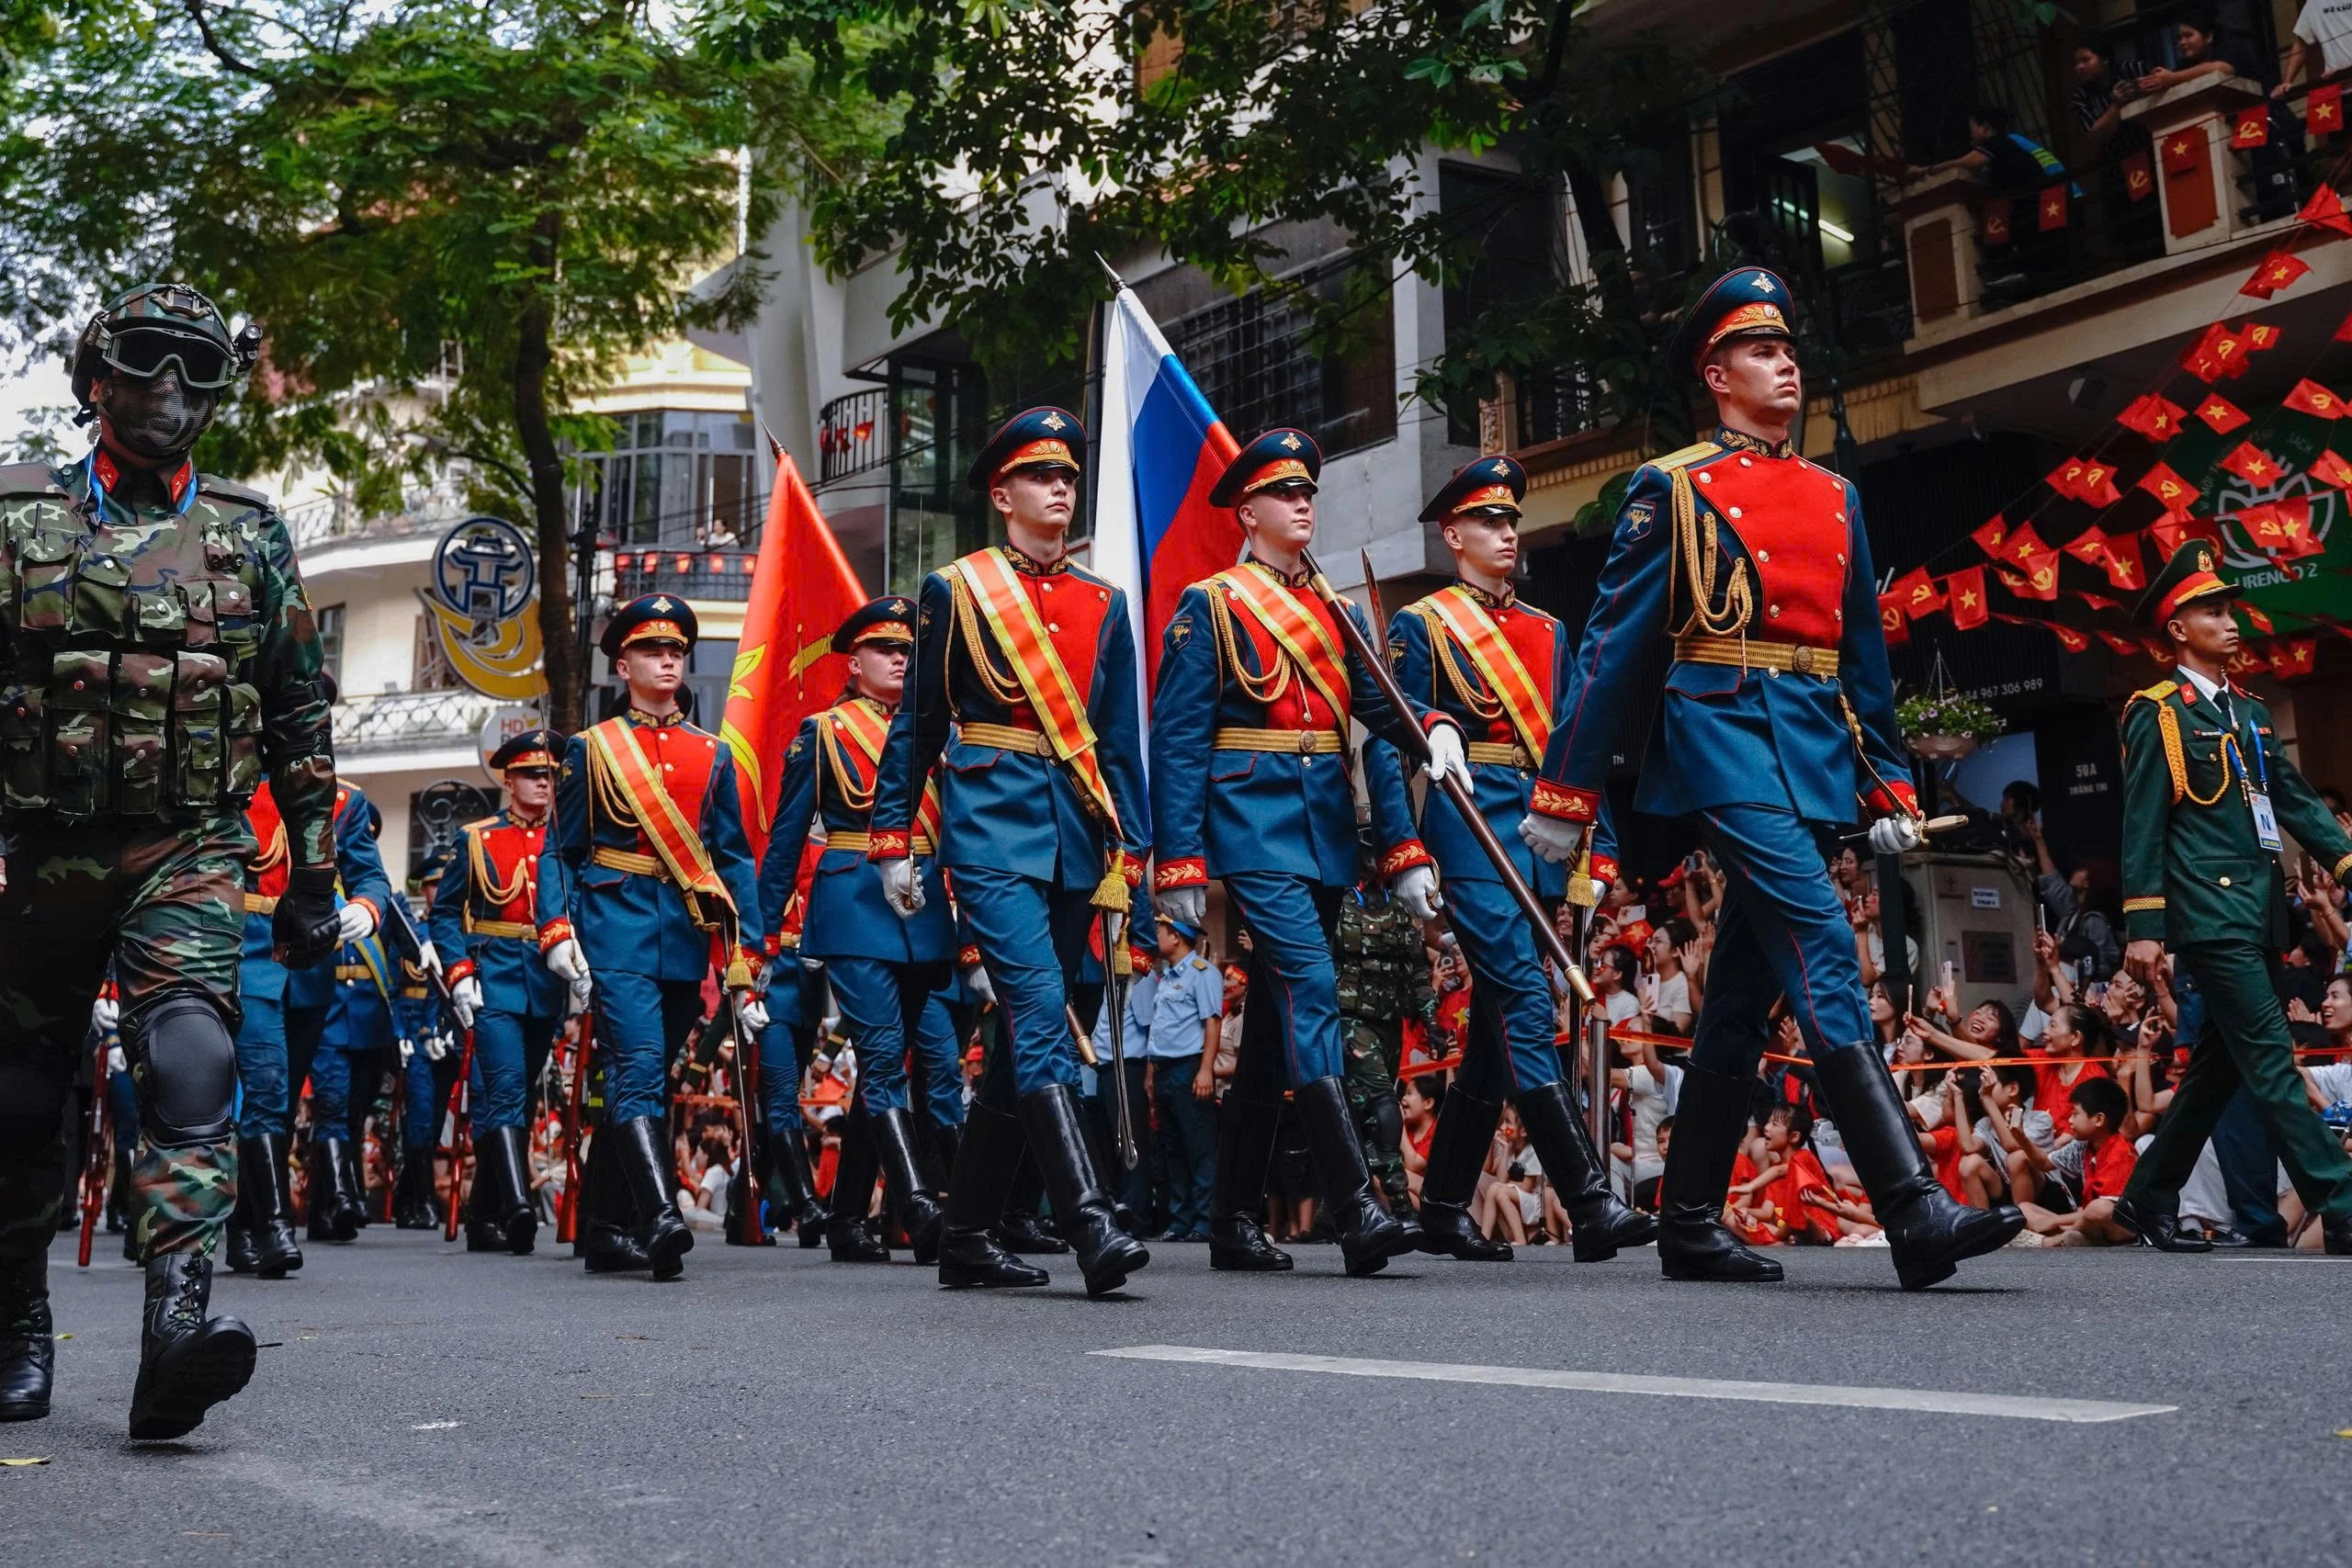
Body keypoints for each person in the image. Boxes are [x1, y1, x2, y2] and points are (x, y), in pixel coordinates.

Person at [1520, 265, 2022, 1291]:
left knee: (1743, 996)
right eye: (1760, 351)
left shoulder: (1836, 495)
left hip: (1811, 744)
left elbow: (1860, 658)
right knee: (1822, 940)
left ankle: (1690, 1221)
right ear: (1717, 374)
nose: (1784, 364)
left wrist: (1888, 785)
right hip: (1719, 738)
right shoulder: (1674, 488)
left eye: (1789, 349)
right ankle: (1911, 1206)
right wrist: (1565, 796)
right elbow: (1615, 651)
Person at [0, 282, 342, 1438]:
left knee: (192, 1056)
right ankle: (15, 1325)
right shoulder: (16, 511)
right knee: (18, 1096)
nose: (170, 391)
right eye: (146, 361)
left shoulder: (249, 532)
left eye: (199, 370)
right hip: (33, 849)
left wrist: (314, 880)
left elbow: (298, 714)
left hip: (187, 848)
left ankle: (177, 1336)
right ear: (96, 375)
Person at [1151, 427, 1468, 1279]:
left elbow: (1379, 705)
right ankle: (1357, 1202)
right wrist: (1178, 861)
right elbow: (1179, 742)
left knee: (1272, 1037)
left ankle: (1230, 1221)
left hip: (1324, 826)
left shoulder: (1340, 609)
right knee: (1312, 984)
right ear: (1247, 510)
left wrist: (1432, 729)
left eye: (1308, 493)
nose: (1302, 505)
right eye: (1285, 494)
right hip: (1249, 820)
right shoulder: (1213, 604)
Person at [867, 407, 1151, 1298]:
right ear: (1003, 494)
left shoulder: (1103, 603)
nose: (1059, 487)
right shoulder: (958, 589)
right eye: (1040, 476)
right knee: (1035, 1009)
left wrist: (1133, 855)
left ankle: (966, 1234)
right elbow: (917, 723)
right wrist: (891, 836)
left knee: (1015, 1029)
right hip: (987, 822)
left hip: (1075, 831)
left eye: (1068, 475)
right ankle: (1089, 1218)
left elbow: (1116, 743)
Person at [1363, 453, 1652, 1266]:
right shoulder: (1423, 625)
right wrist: (1405, 848)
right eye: (1488, 521)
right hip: (1468, 833)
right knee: (1525, 1000)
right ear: (1453, 534)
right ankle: (1590, 1201)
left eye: (1512, 520)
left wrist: (1600, 851)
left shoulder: (1549, 631)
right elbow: (1388, 746)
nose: (1506, 533)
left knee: (1497, 1028)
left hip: (1540, 838)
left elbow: (1575, 745)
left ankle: (1446, 1206)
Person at [2109, 544, 2352, 1255]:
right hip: (2208, 914)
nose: (2230, 621)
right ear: (2178, 628)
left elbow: (2296, 800)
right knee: (2273, 1057)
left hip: (2259, 911)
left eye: (2228, 608)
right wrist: (2145, 925)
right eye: (2212, 611)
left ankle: (2148, 1196)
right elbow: (2142, 824)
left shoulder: (2248, 710)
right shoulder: (2158, 712)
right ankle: (2341, 1203)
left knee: (2219, 1065)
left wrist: (2346, 861)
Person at [538, 594, 762, 1281]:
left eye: (676, 650)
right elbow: (561, 850)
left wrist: (747, 954)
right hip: (615, 928)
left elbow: (733, 858)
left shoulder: (713, 754)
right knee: (635, 1067)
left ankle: (606, 1227)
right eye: (651, 650)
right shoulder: (592, 749)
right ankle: (661, 1214)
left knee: (642, 1078)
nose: (667, 659)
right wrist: (556, 927)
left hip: (682, 937)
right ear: (623, 663)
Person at [761, 598, 957, 1267]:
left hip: (924, 903)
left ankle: (847, 1216)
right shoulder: (823, 732)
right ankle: (921, 1205)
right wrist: (758, 940)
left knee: (926, 1060)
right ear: (854, 662)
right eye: (885, 649)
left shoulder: (936, 728)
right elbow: (786, 841)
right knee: (880, 1056)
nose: (901, 658)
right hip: (852, 900)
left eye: (908, 648)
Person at [229, 771, 390, 1270]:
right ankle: (278, 1226)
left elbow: (370, 874)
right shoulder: (230, 783)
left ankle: (243, 1228)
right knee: (266, 1087)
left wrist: (367, 906)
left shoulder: (343, 799)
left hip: (311, 959)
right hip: (245, 950)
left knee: (277, 1102)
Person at [430, 729, 576, 1255]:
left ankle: (481, 1213)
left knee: (516, 1092)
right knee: (507, 1087)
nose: (542, 784)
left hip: (545, 980)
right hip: (493, 978)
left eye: (550, 775)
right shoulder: (478, 838)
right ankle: (517, 1205)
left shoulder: (566, 839)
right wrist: (459, 970)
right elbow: (445, 913)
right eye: (532, 775)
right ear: (508, 780)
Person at [1332, 840, 1425, 1244]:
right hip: (1351, 1021)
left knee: (1360, 1115)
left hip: (1390, 1023)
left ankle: (1341, 1205)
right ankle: (1400, 1203)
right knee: (1386, 1108)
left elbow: (1417, 968)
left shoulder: (1401, 906)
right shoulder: (1335, 902)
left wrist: (1430, 1018)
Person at [1148, 917, 1223, 1242]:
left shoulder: (1202, 973)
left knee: (1200, 1148)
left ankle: (1205, 1221)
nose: (1156, 936)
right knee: (1173, 1148)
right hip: (1164, 1069)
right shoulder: (1164, 977)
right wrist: (1151, 1074)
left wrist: (1206, 1069)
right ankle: (1180, 1219)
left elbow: (1212, 1023)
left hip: (1189, 1068)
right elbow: (1158, 1029)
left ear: (1176, 937)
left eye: (1160, 931)